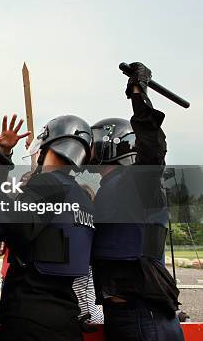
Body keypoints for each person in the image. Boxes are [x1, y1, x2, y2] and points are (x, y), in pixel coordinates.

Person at [0, 114, 96, 341]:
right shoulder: (81, 198)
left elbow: (8, 221)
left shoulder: (49, 184)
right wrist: (3, 156)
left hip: (31, 316)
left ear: (47, 146)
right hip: (66, 317)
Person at [90, 62, 184, 340]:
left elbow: (153, 152)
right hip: (127, 314)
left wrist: (137, 95)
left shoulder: (133, 183)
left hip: (143, 316)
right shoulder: (112, 189)